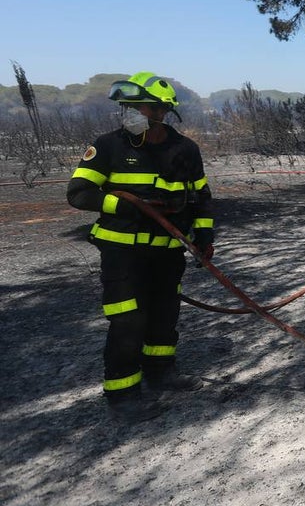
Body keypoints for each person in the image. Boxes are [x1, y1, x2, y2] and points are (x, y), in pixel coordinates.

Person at [67, 72, 215, 421]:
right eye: (126, 106)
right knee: (128, 322)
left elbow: (202, 198)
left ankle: (161, 373)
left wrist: (204, 237)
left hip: (167, 251)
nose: (129, 112)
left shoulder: (185, 150)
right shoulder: (107, 146)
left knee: (165, 314)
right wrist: (126, 205)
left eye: (138, 106)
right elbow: (78, 194)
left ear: (162, 110)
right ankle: (123, 395)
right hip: (123, 255)